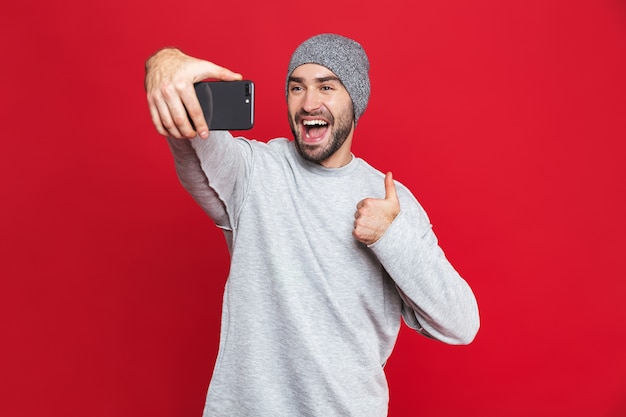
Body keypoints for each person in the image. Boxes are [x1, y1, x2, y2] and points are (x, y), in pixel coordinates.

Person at [145, 33, 480, 417]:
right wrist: (164, 64)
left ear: (355, 100)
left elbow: (460, 324)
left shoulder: (392, 203)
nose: (308, 103)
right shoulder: (254, 172)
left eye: (326, 86)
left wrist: (390, 236)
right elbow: (194, 142)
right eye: (296, 87)